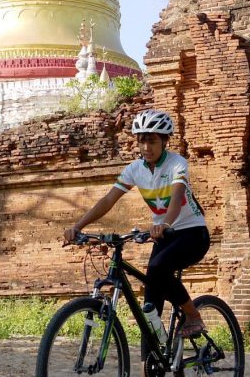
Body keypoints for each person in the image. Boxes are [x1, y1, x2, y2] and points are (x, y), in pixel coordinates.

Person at [63, 109, 210, 338]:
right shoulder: (134, 169)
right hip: (164, 236)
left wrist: (165, 223)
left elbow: (177, 196)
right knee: (149, 307)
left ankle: (193, 315)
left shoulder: (176, 164)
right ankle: (151, 365)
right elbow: (108, 199)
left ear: (164, 141)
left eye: (151, 141)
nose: (146, 148)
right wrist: (78, 226)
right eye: (141, 142)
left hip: (192, 234)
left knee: (158, 268)